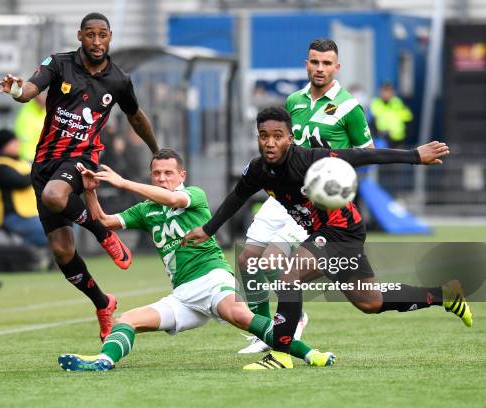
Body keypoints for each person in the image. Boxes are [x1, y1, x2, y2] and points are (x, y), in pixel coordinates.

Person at [183, 107, 472, 370]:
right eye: (263, 136)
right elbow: (238, 196)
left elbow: (361, 156)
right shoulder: (260, 169)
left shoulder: (309, 160)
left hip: (341, 230)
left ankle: (281, 355)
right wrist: (208, 229)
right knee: (369, 301)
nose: (270, 143)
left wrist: (414, 156)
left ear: (291, 137)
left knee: (289, 274)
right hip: (326, 233)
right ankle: (444, 295)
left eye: (277, 136)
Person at [56, 149, 335, 372]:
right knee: (126, 321)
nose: (162, 178)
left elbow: (171, 199)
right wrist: (91, 190)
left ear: (182, 175)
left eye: (168, 173)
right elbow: (104, 220)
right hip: (183, 295)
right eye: (156, 174)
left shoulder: (193, 195)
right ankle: (103, 361)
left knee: (241, 317)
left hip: (213, 280)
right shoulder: (146, 210)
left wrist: (124, 182)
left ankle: (311, 354)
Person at [0, 12, 159, 341]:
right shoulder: (59, 64)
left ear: (110, 37)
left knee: (54, 197)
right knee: (62, 251)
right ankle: (103, 304)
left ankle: (103, 232)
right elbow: (30, 90)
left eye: (102, 35)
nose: (97, 42)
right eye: (90, 35)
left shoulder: (118, 80)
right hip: (44, 163)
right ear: (80, 36)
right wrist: (16, 89)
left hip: (81, 157)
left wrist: (155, 150)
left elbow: (136, 116)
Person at [236, 38, 374, 353]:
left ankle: (290, 321)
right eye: (315, 62)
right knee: (247, 260)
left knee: (274, 261)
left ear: (337, 67)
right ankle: (264, 330)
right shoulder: (294, 101)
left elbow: (367, 154)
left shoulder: (350, 107)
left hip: (312, 201)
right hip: (281, 193)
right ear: (306, 64)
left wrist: (333, 181)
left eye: (327, 63)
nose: (320, 68)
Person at [0, 129, 47, 248]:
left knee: (65, 223)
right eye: (14, 142)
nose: (18, 145)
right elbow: (21, 182)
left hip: (32, 213)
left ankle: (32, 254)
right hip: (12, 216)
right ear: (5, 145)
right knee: (52, 231)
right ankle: (28, 253)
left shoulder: (21, 162)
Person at [370, 82, 413, 148]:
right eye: (385, 91)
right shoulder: (376, 104)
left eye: (389, 91)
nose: (387, 94)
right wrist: (376, 135)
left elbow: (408, 119)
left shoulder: (398, 103)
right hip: (382, 138)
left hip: (399, 139)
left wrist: (407, 137)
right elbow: (371, 121)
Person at [14, 91, 47, 162]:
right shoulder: (26, 111)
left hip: (43, 157)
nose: (42, 98)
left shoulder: (51, 110)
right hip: (26, 157)